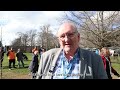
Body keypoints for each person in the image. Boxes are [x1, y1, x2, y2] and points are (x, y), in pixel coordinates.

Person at [36, 22, 108, 79]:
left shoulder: (95, 59)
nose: (66, 39)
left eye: (70, 35)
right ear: (59, 40)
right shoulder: (46, 57)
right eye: (62, 36)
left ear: (78, 37)